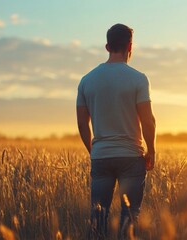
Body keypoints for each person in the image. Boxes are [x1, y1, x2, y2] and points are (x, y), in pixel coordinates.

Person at [76, 23, 156, 239]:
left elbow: (82, 124)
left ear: (107, 46)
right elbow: (147, 121)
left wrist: (93, 150)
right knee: (129, 220)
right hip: (131, 156)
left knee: (98, 219)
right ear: (130, 47)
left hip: (101, 155)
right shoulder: (138, 78)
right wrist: (151, 150)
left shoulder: (86, 80)